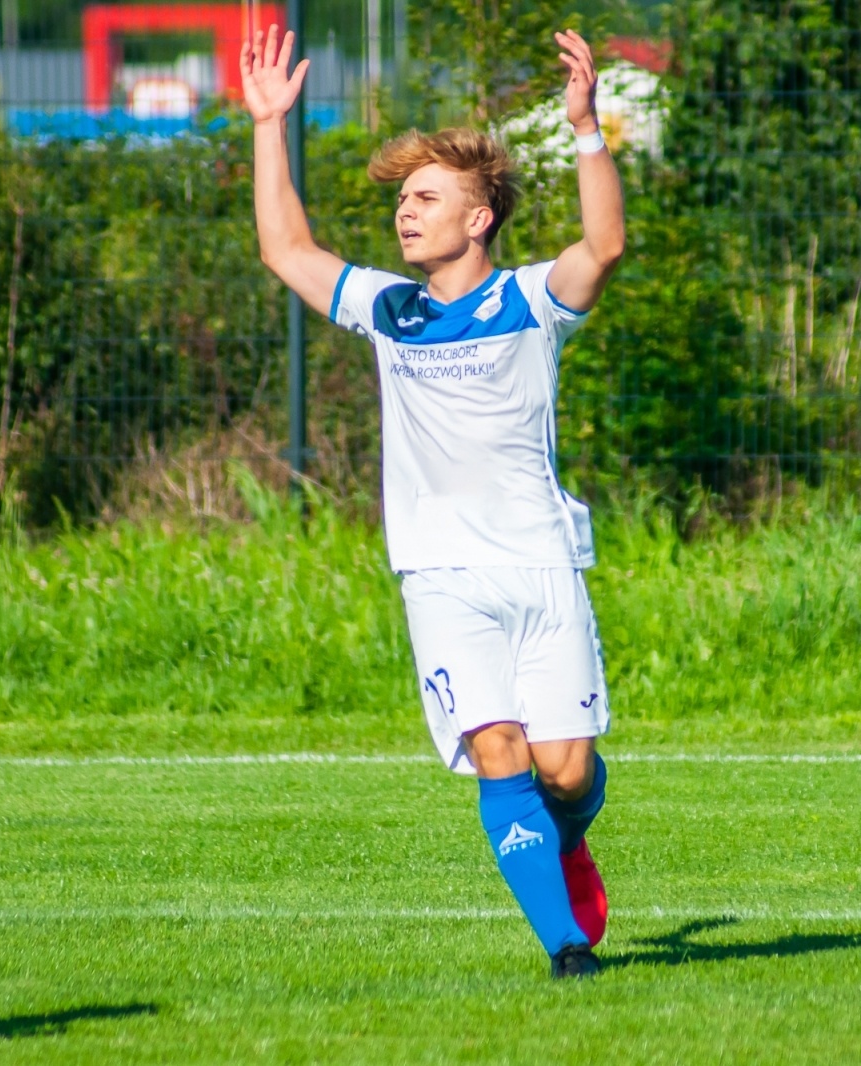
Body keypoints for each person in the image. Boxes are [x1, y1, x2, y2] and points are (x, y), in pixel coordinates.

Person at [241, 25, 624, 979]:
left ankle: (569, 836)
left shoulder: (532, 301)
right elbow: (286, 248)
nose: (405, 215)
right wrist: (267, 126)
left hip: (540, 562)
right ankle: (566, 950)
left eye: (425, 199)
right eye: (403, 200)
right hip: (440, 574)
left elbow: (604, 244)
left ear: (480, 216)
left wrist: (586, 131)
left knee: (564, 773)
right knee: (497, 748)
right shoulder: (390, 309)